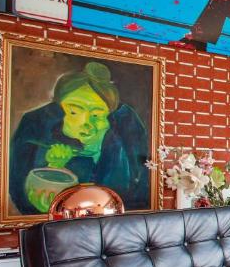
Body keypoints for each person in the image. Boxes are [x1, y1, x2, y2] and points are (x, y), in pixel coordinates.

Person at [9, 61, 150, 214]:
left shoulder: (125, 132)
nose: (86, 123)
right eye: (74, 112)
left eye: (96, 115)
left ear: (109, 117)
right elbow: (26, 193)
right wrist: (54, 168)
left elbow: (139, 187)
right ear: (60, 110)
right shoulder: (36, 129)